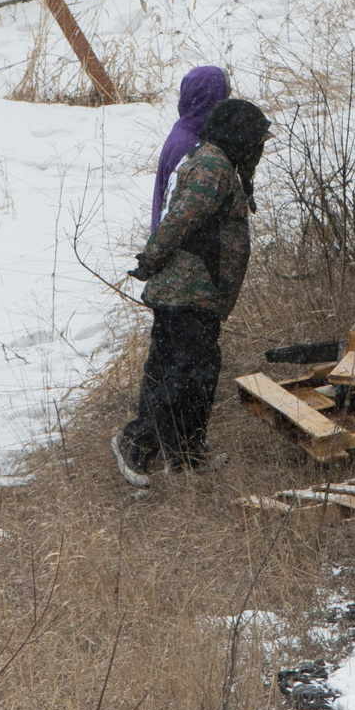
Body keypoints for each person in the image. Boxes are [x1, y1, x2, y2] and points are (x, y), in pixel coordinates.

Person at [115, 95, 269, 488]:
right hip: (185, 295)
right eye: (257, 138)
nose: (260, 148)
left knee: (195, 374)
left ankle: (186, 454)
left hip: (197, 296)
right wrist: (150, 259)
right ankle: (135, 445)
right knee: (178, 376)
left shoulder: (218, 163)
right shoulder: (213, 165)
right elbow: (180, 220)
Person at [152, 64, 229, 228]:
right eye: (224, 97)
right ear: (210, 99)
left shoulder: (192, 132)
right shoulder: (186, 145)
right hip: (181, 252)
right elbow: (177, 219)